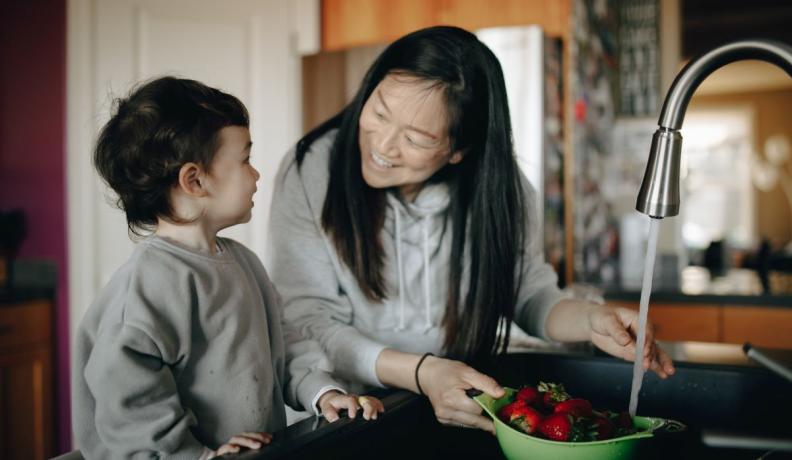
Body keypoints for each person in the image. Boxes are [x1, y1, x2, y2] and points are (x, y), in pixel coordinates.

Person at [267, 26, 675, 434]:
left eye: (416, 138)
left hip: (451, 399)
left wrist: (591, 320)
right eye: (379, 113)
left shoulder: (503, 191)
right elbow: (307, 321)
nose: (383, 145)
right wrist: (423, 372)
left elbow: (529, 294)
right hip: (347, 411)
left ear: (459, 150)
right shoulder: (312, 170)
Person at [72, 77, 383, 459]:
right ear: (195, 179)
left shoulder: (243, 262)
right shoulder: (149, 284)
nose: (255, 174)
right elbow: (129, 399)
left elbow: (283, 344)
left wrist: (322, 392)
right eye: (245, 160)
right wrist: (196, 456)